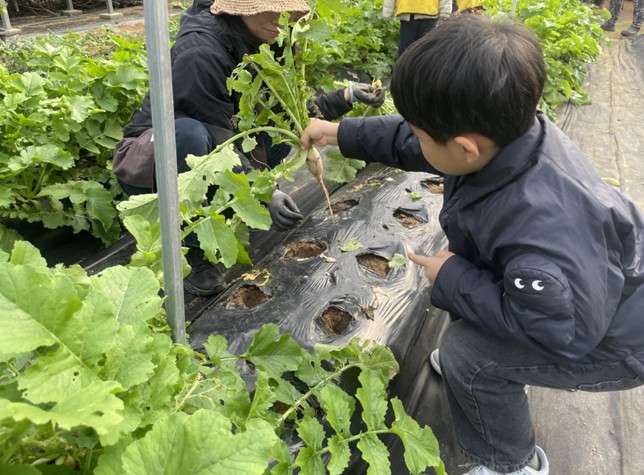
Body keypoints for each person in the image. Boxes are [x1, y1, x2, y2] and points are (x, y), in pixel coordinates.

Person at [301, 14, 644, 475]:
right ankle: (497, 369)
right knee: (467, 285)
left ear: (465, 148)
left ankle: (509, 462)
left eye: (421, 134)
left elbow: (562, 333)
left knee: (468, 354)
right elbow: (415, 140)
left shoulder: (541, 233)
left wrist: (455, 279)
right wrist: (340, 134)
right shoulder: (504, 137)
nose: (415, 139)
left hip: (610, 342)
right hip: (578, 300)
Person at [112, 0, 385, 296]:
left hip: (216, 145)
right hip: (153, 168)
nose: (280, 20)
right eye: (269, 9)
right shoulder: (201, 51)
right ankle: (189, 250)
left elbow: (285, 112)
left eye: (286, 12)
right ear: (242, 8)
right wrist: (267, 193)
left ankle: (232, 204)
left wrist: (345, 97)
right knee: (190, 135)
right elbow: (217, 140)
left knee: (279, 133)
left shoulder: (263, 40)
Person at [382, 0, 454, 57]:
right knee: (427, 51)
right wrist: (445, 13)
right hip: (427, 12)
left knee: (406, 52)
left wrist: (387, 13)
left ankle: (405, 71)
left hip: (409, 12)